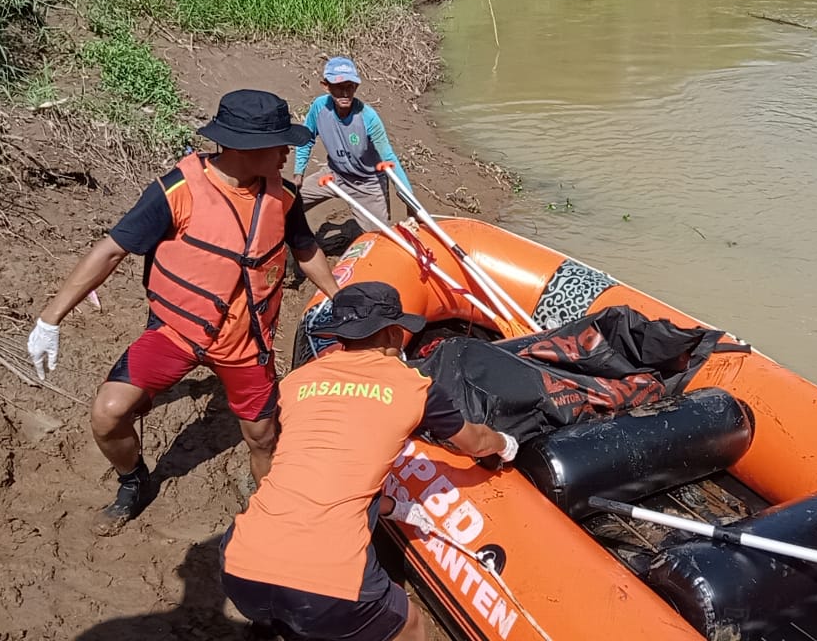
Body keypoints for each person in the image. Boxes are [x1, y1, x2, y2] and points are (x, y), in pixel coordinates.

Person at [27, 89, 341, 536]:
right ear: (244, 147)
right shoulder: (177, 191)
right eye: (279, 143)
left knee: (263, 437)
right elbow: (112, 250)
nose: (288, 152)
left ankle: (274, 519)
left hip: (245, 340)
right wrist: (49, 319)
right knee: (108, 413)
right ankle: (134, 480)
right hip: (176, 331)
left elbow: (305, 248)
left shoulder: (284, 198)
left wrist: (336, 295)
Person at [219, 281, 518, 641]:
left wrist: (389, 505)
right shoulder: (413, 387)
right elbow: (474, 441)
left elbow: (319, 469)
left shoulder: (297, 382)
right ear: (393, 333)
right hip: (328, 588)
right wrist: (506, 444)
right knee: (410, 623)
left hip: (238, 566)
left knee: (294, 610)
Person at [292, 56, 415, 230]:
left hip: (367, 182)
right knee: (288, 203)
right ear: (326, 86)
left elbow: (388, 157)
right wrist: (299, 173)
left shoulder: (368, 117)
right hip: (334, 174)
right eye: (339, 87)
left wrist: (409, 198)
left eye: (349, 87)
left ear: (356, 86)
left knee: (378, 237)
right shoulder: (319, 108)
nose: (345, 93)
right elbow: (306, 139)